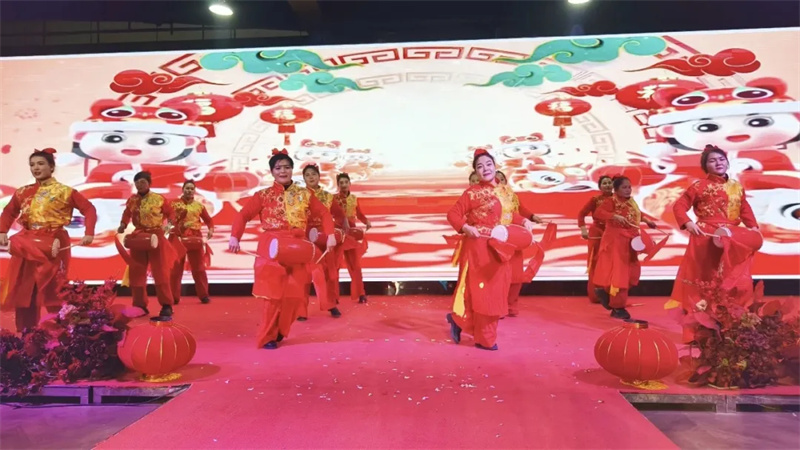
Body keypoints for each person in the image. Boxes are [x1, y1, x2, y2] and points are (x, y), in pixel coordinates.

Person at [229, 149, 337, 349]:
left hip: (298, 246)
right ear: (272, 172)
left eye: (287, 167)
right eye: (278, 168)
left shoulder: (304, 194)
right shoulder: (263, 195)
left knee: (295, 294)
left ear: (292, 170)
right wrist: (235, 236)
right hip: (271, 245)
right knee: (273, 295)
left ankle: (280, 329)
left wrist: (330, 235)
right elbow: (243, 215)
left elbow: (324, 213)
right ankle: (267, 336)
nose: (283, 171)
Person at [445, 149, 537, 350]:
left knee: (496, 292)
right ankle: (484, 338)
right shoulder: (472, 193)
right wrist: (465, 227)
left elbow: (509, 215)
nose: (485, 169)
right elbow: (453, 214)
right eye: (479, 166)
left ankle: (463, 322)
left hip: (500, 248)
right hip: (478, 248)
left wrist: (524, 221)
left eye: (488, 164)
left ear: (495, 166)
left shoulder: (505, 191)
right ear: (476, 172)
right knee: (482, 292)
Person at [0, 148, 96, 332]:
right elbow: (9, 211)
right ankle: (27, 333)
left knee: (54, 289)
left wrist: (89, 232)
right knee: (26, 289)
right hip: (26, 241)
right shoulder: (23, 192)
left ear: (51, 167)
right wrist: (2, 230)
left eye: (41, 164)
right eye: (32, 164)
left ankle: (62, 332)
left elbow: (89, 209)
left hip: (54, 242)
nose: (36, 168)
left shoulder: (65, 191)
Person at [670, 145, 759, 342]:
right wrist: (688, 223)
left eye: (721, 159)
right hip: (705, 237)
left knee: (731, 280)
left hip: (731, 237)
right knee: (701, 281)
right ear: (705, 166)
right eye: (712, 160)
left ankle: (729, 327)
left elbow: (744, 209)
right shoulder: (698, 186)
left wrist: (753, 228)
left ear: (727, 162)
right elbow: (679, 206)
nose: (718, 163)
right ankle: (695, 332)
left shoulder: (736, 187)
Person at [592, 176, 657, 320]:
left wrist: (647, 221)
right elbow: (598, 213)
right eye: (624, 187)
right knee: (620, 274)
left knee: (631, 272)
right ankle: (618, 307)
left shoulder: (630, 201)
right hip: (616, 241)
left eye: (629, 187)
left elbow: (636, 214)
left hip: (630, 240)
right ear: (616, 189)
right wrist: (614, 216)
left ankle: (606, 293)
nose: (628, 190)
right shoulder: (611, 201)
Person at [117, 171, 178, 317]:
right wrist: (123, 224)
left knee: (160, 272)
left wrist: (168, 226)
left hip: (156, 236)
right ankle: (140, 305)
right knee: (136, 272)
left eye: (143, 182)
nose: (140, 185)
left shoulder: (158, 199)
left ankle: (166, 305)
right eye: (137, 183)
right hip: (139, 237)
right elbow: (126, 213)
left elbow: (171, 213)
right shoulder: (132, 200)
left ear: (149, 184)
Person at [495, 170, 543, 317]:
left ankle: (511, 305)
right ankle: (499, 306)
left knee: (516, 275)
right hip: (496, 239)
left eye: (502, 179)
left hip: (513, 238)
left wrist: (530, 217)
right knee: (498, 275)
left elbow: (520, 210)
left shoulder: (512, 196)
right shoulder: (488, 197)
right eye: (495, 179)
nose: (499, 182)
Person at [300, 163, 344, 320]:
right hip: (305, 237)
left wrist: (339, 230)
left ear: (319, 176)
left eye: (313, 174)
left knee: (329, 272)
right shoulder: (299, 196)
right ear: (304, 178)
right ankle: (301, 310)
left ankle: (331, 304)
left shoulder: (328, 196)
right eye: (307, 175)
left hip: (325, 237)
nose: (311, 177)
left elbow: (339, 214)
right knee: (304, 274)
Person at [169, 180, 214, 305]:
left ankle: (204, 295)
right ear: (182, 189)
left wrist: (211, 230)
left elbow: (209, 220)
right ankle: (174, 297)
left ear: (194, 191)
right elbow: (168, 219)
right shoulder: (173, 204)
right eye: (187, 188)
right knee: (176, 270)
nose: (189, 191)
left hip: (195, 238)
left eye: (191, 189)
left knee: (199, 269)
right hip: (178, 238)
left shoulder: (199, 206)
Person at [333, 173, 372, 304]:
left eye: (346, 182)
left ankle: (361, 293)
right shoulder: (333, 199)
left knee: (355, 265)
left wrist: (366, 221)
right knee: (335, 265)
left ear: (350, 184)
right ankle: (333, 296)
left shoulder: (354, 199)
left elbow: (359, 214)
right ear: (338, 185)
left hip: (351, 234)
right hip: (338, 232)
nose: (344, 185)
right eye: (341, 183)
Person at [577, 176, 613, 304]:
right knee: (595, 263)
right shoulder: (595, 200)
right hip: (597, 234)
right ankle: (596, 294)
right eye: (604, 183)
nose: (607, 185)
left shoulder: (619, 200)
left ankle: (611, 294)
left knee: (612, 263)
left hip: (612, 234)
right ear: (600, 186)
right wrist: (583, 230)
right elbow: (581, 214)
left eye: (609, 183)